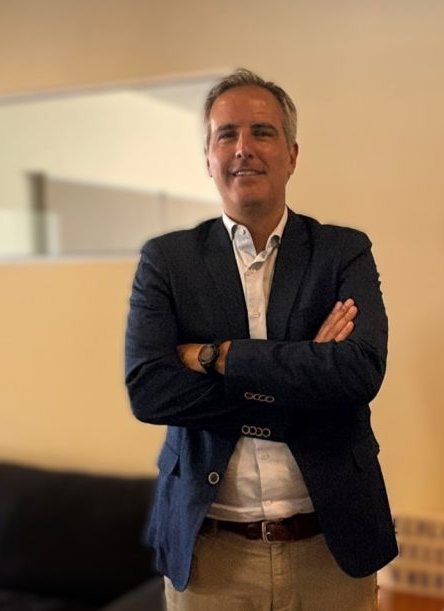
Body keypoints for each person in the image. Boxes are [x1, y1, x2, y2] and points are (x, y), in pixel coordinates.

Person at [125, 69, 397, 610]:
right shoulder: (168, 261)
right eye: (226, 134)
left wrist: (216, 356)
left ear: (292, 155)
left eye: (262, 132)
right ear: (209, 158)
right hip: (211, 555)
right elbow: (150, 392)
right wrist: (305, 370)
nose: (243, 148)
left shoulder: (342, 252)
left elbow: (359, 372)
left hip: (329, 548)